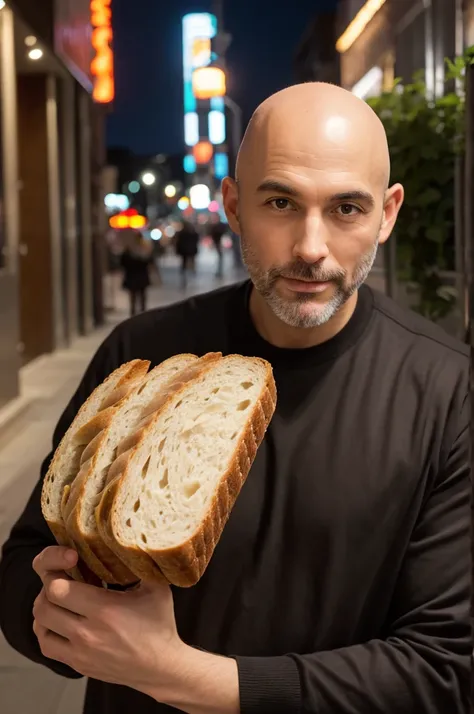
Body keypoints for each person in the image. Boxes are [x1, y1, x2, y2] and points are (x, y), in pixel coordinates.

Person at [0, 83, 470, 714]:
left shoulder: (448, 391)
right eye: (280, 201)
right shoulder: (143, 352)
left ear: (387, 213)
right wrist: (62, 619)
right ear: (232, 203)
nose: (310, 247)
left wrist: (178, 675)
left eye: (346, 209)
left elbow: (444, 668)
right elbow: (24, 568)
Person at [120, 231, 155, 316]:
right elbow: (149, 262)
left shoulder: (128, 250)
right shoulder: (144, 250)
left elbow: (123, 263)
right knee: (141, 297)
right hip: (140, 276)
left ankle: (134, 314)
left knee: (134, 297)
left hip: (133, 276)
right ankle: (141, 314)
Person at [175, 221, 199, 288]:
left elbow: (178, 243)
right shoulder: (193, 233)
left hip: (184, 251)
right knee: (191, 261)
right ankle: (192, 272)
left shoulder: (182, 233)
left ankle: (185, 273)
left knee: (184, 263)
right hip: (190, 250)